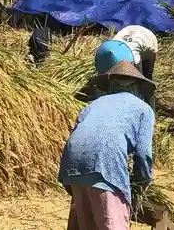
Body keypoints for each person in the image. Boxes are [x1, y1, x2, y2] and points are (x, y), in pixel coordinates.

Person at [58, 59, 155, 230]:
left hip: (72, 165)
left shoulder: (92, 104)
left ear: (110, 85)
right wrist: (141, 184)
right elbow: (143, 154)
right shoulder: (143, 109)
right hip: (105, 165)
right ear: (137, 87)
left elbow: (76, 134)